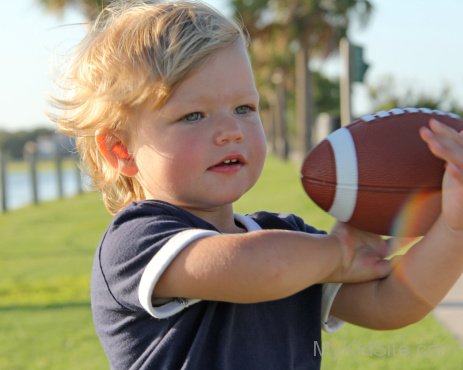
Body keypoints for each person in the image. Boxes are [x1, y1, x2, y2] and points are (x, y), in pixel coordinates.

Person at [50, 1, 463, 369]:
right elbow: (254, 266)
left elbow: (392, 302)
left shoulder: (291, 241)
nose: (231, 131)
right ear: (120, 149)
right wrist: (338, 253)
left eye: (245, 108)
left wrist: (453, 226)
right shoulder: (137, 242)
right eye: (194, 115)